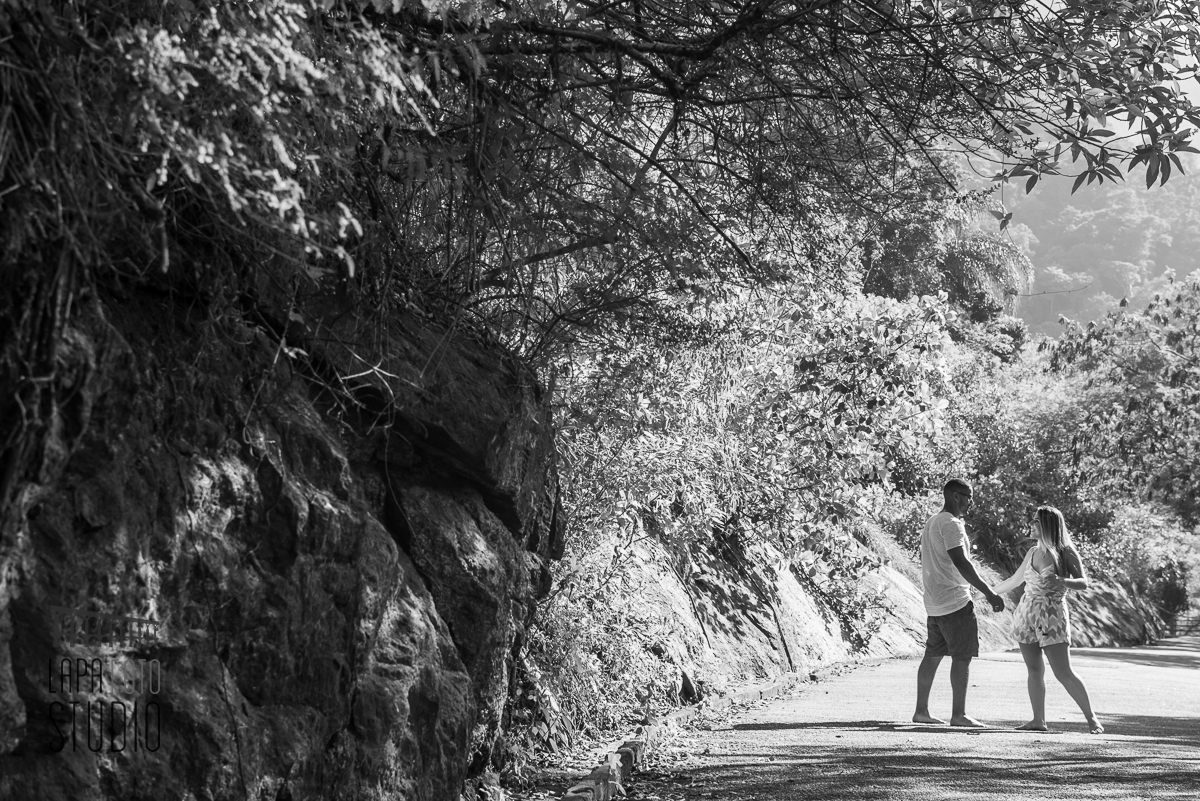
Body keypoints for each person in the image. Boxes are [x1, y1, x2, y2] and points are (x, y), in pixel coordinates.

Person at [993, 505, 1103, 734]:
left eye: (1036, 521)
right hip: (1026, 613)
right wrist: (988, 592)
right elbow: (1014, 581)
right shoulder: (1032, 552)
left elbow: (1083, 583)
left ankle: (1092, 719)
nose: (1031, 524)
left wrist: (1062, 580)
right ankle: (1037, 720)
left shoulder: (1066, 552)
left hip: (1052, 614)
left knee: (1063, 672)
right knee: (1034, 670)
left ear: (1047, 525)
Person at [913, 479, 1006, 728]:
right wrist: (988, 592)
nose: (970, 502)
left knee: (932, 655)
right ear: (955, 496)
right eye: (968, 496)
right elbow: (961, 562)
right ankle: (959, 715)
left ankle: (921, 711)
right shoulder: (952, 524)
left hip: (934, 602)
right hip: (955, 601)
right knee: (962, 657)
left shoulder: (932, 521)